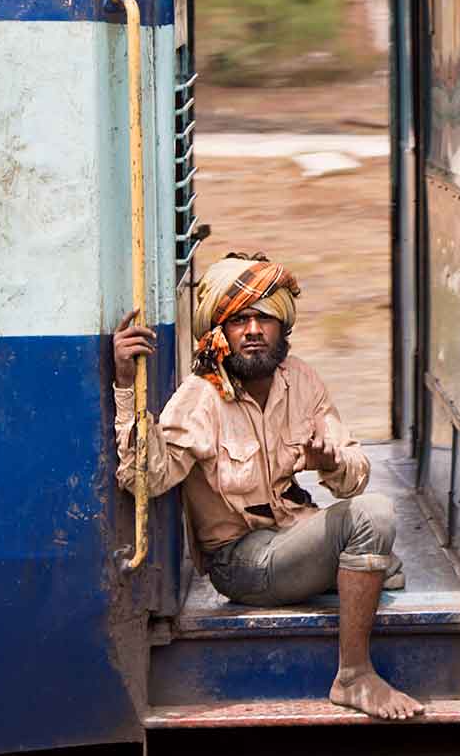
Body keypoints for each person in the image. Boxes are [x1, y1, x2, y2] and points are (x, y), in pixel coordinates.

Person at [112, 252, 421, 719]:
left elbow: (356, 473)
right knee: (373, 523)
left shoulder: (301, 381)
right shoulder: (201, 397)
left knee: (381, 557)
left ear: (283, 328)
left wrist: (330, 461)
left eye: (264, 318)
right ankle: (354, 676)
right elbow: (146, 478)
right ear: (219, 331)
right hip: (241, 561)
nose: (253, 330)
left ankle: (340, 573)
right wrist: (124, 385)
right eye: (239, 320)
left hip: (293, 534)